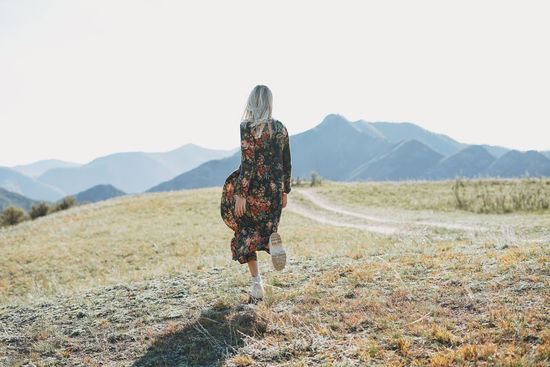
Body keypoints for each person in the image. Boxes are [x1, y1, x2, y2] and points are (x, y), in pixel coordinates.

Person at [220, 84, 292, 303]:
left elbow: (248, 163)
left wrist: (241, 194)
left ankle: (257, 284)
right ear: (269, 103)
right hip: (273, 194)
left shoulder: (247, 127)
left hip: (252, 193)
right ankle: (271, 243)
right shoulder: (281, 127)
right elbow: (286, 162)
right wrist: (285, 191)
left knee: (245, 233)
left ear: (252, 102)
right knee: (266, 230)